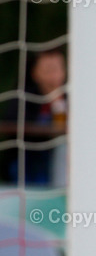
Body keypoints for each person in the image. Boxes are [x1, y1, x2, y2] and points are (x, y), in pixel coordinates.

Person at [4, 49, 67, 185]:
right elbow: (11, 123)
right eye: (48, 70)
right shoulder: (24, 98)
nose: (54, 75)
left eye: (57, 69)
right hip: (30, 164)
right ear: (35, 73)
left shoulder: (73, 99)